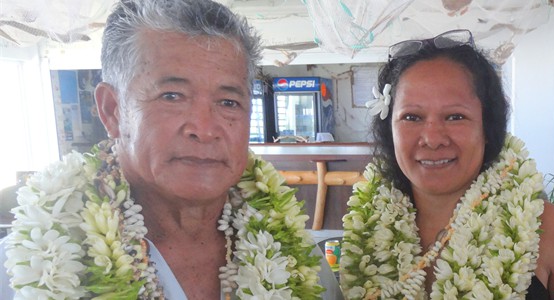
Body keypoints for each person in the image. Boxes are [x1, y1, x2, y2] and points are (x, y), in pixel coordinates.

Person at [0, 0, 337, 299]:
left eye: (229, 102)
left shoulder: (294, 259)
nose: (204, 129)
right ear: (112, 110)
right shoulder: (30, 267)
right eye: (172, 96)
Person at [339, 29, 554, 299]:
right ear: (389, 128)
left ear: (487, 128)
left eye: (455, 116)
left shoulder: (547, 228)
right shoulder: (364, 232)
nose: (432, 138)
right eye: (412, 117)